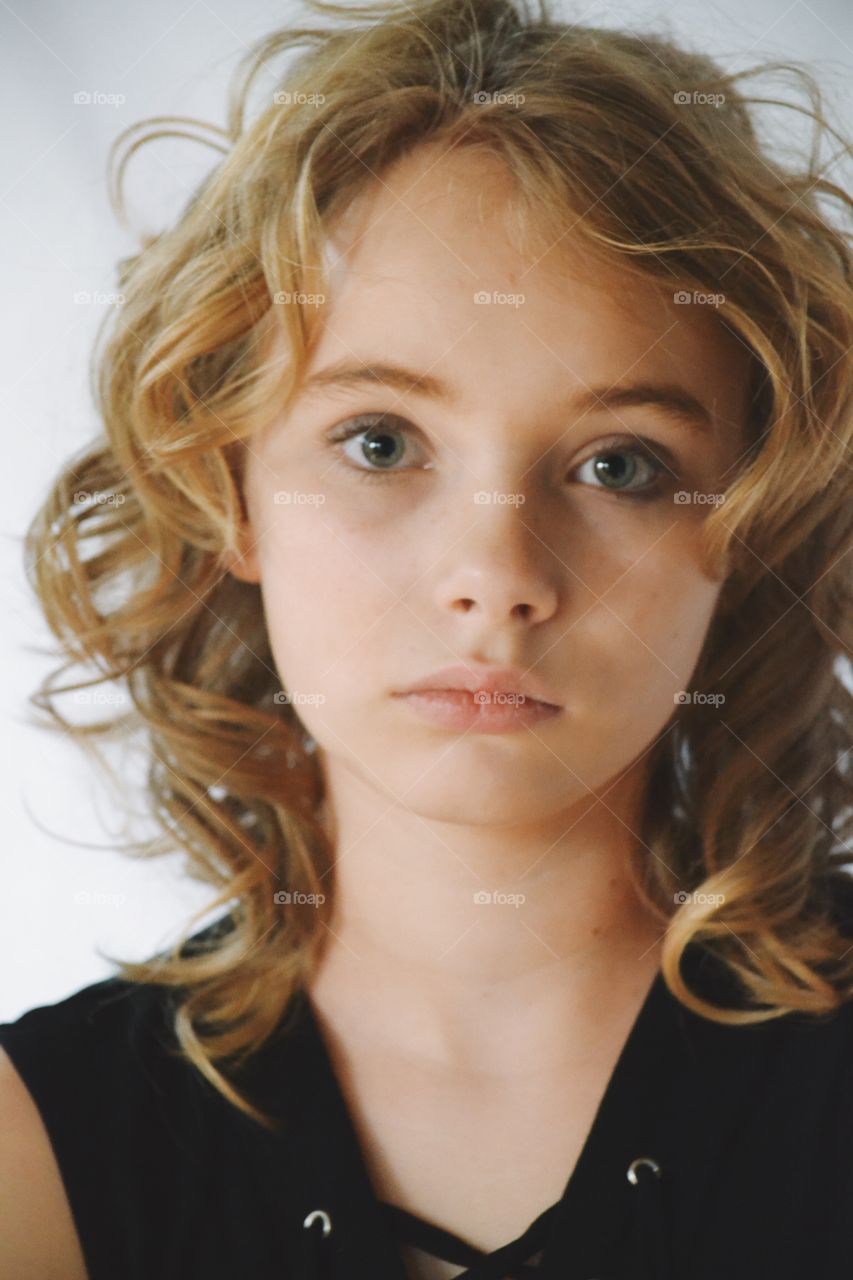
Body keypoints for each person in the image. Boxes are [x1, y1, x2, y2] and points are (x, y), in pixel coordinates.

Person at [1, 1, 852, 1277]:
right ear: (224, 488)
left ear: (747, 521)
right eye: (380, 442)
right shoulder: (38, 1146)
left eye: (619, 463)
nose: (498, 579)